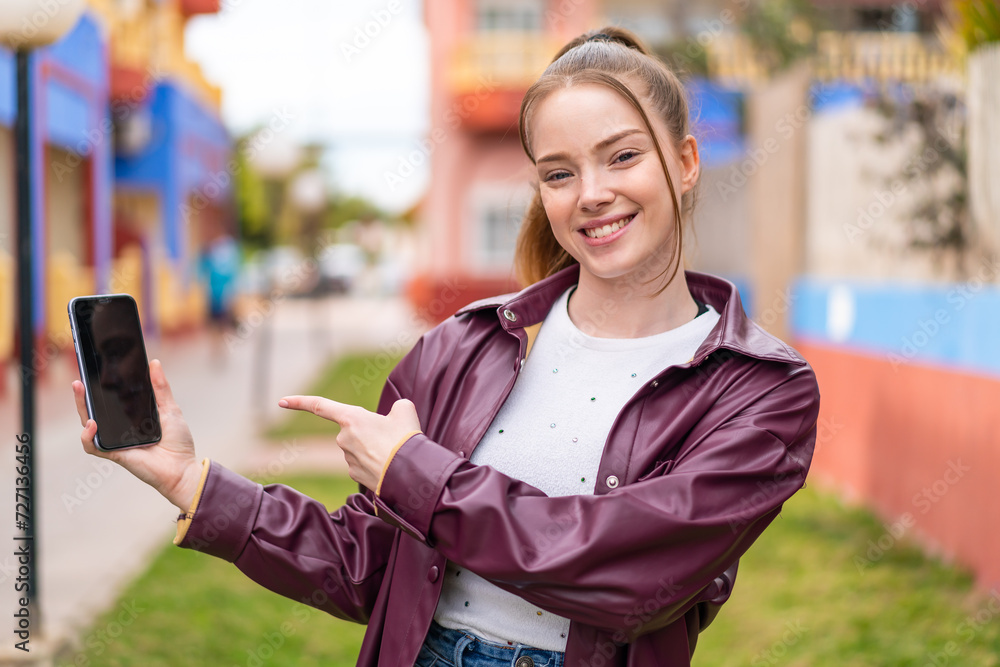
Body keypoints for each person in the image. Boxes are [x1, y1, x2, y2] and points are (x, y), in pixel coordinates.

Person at [72, 27, 820, 667]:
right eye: (559, 173)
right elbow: (366, 567)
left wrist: (419, 477)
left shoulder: (760, 389)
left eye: (622, 157)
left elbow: (629, 574)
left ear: (685, 162)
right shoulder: (463, 348)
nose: (590, 192)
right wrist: (192, 483)